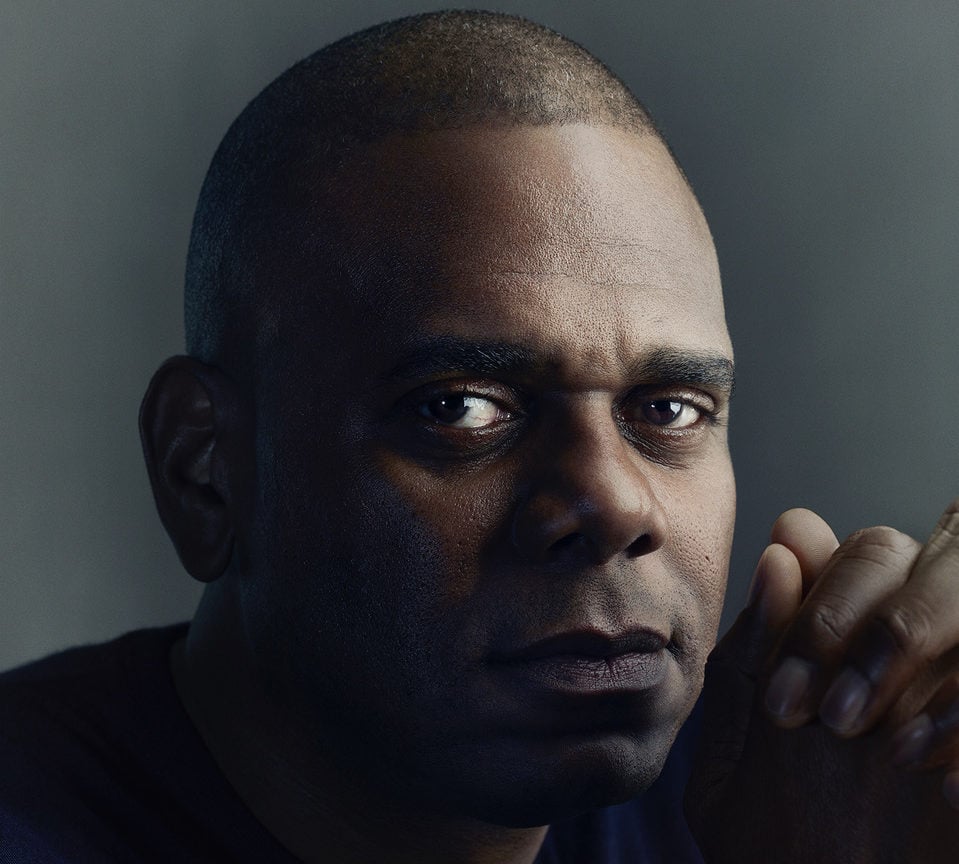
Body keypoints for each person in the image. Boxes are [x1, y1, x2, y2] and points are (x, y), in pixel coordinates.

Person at [1, 10, 957, 863]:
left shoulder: (808, 786)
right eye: (460, 407)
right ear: (204, 471)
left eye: (668, 409)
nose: (614, 504)